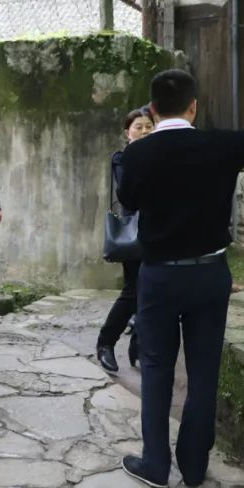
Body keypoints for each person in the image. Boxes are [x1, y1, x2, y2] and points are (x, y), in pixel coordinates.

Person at [118, 69, 244, 488]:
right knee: (204, 370)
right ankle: (194, 466)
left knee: (156, 368)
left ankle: (155, 463)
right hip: (210, 273)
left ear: (152, 110)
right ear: (193, 107)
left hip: (159, 276)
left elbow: (128, 201)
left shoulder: (137, 154)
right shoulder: (219, 145)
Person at [95, 108, 154, 374]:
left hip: (159, 230)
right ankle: (106, 343)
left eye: (148, 126)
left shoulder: (160, 154)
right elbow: (129, 190)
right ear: (127, 132)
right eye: (138, 127)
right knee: (132, 291)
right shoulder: (122, 157)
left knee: (152, 291)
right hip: (134, 233)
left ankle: (138, 347)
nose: (144, 131)